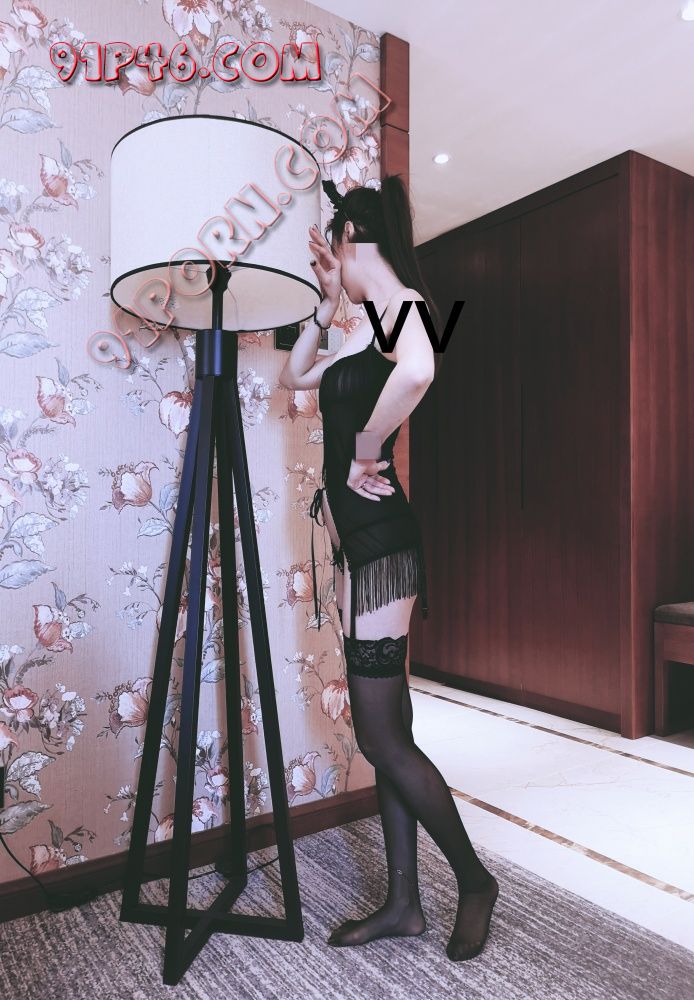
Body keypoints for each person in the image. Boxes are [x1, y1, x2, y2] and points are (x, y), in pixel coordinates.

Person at [278, 175, 499, 961]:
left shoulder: (403, 307)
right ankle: (403, 902)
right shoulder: (363, 325)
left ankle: (474, 880)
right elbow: (295, 376)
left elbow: (421, 371)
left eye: (333, 246)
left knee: (379, 734)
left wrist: (368, 448)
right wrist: (322, 299)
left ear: (349, 235)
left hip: (383, 549)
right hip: (360, 548)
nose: (332, 257)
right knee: (388, 731)